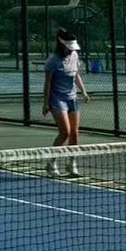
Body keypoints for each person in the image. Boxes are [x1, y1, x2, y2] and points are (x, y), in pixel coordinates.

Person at [42, 29, 90, 176]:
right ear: (62, 45)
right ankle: (52, 163)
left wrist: (83, 91)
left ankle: (71, 164)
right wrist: (46, 103)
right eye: (68, 47)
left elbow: (76, 75)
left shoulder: (74, 55)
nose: (71, 50)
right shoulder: (53, 61)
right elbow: (48, 82)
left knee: (74, 133)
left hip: (72, 98)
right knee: (65, 132)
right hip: (57, 99)